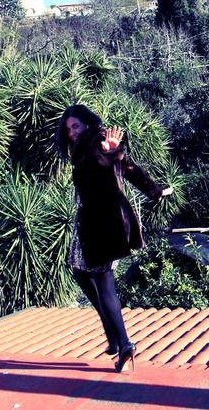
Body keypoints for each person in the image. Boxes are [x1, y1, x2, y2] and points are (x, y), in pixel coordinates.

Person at [56, 104, 173, 373]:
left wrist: (113, 152)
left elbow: (119, 164)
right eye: (68, 128)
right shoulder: (82, 147)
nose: (72, 132)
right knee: (80, 273)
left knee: (103, 282)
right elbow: (128, 169)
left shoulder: (97, 143)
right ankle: (113, 334)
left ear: (87, 123)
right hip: (91, 224)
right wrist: (153, 190)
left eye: (75, 126)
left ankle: (123, 342)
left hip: (102, 226)